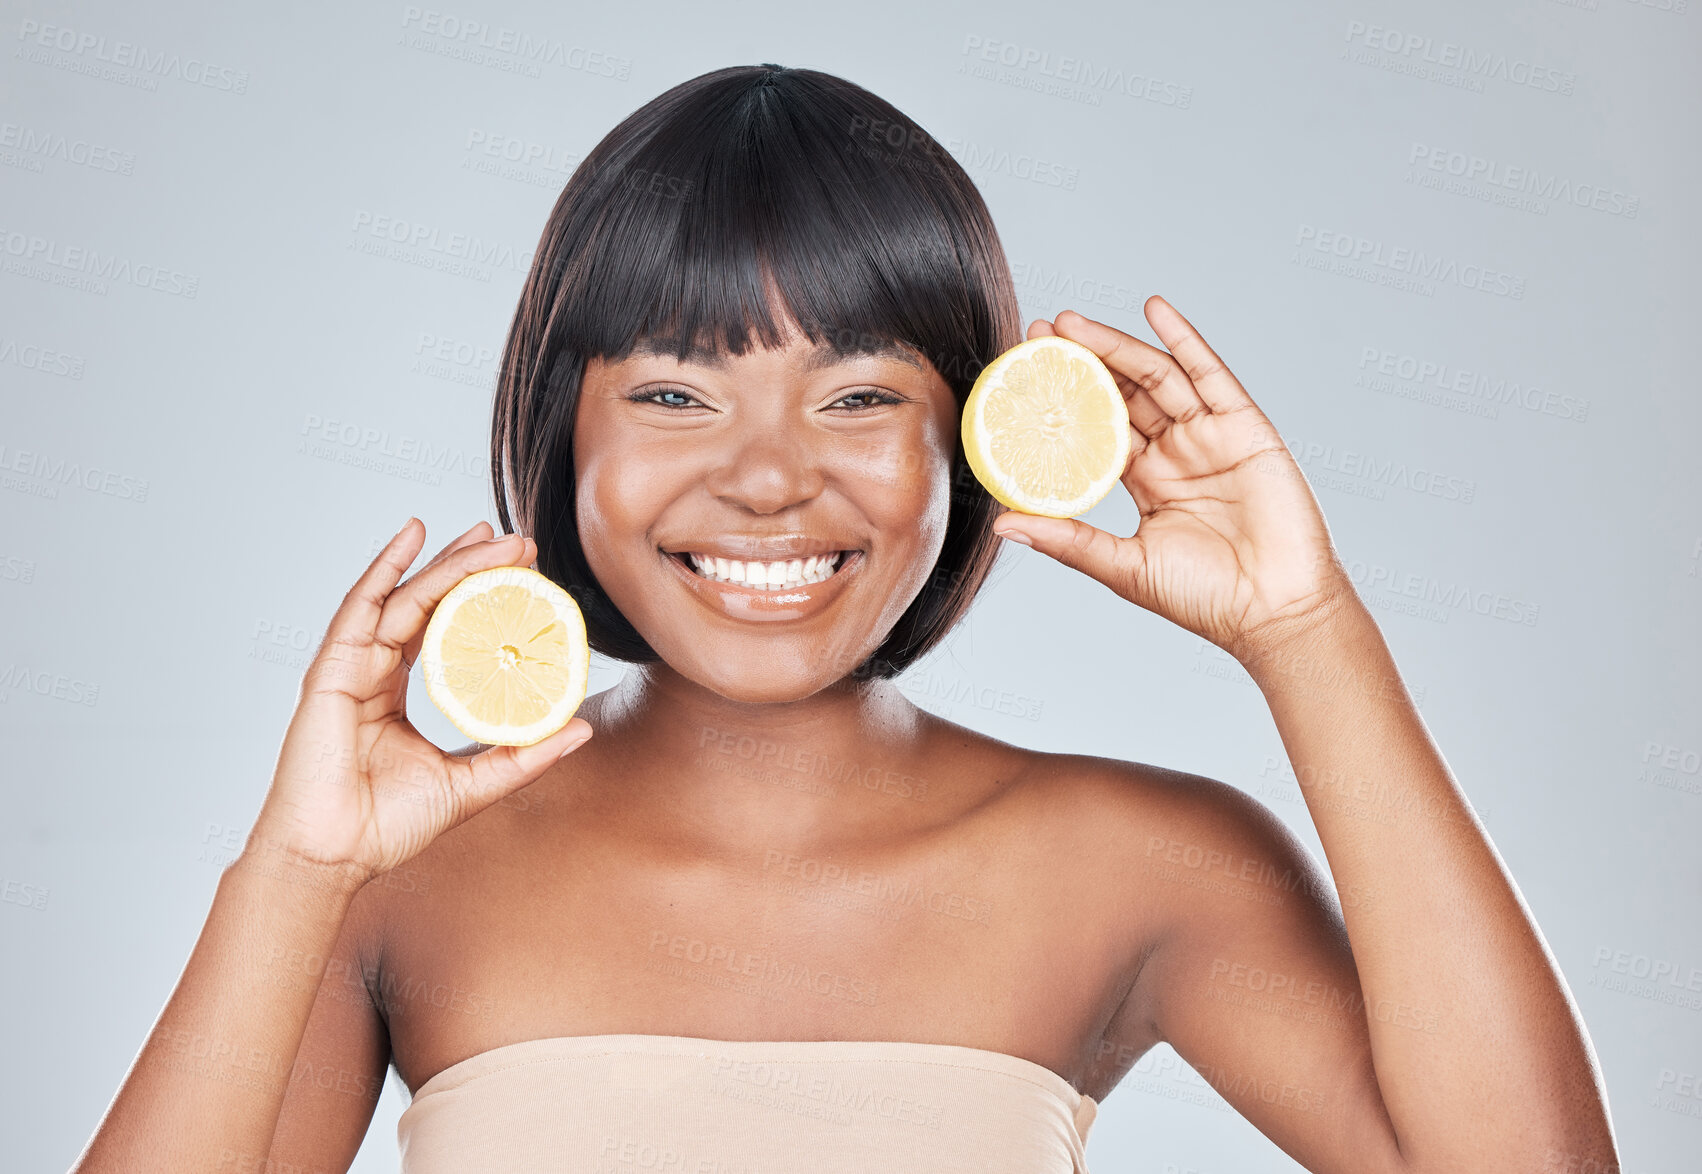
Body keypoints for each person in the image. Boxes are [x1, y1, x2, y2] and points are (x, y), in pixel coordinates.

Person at [70, 64, 1619, 1174]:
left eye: (861, 394)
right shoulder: (394, 883)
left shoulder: (1145, 864)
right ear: (564, 439)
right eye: (676, 391)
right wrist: (292, 869)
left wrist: (1307, 631)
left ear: (972, 438)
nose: (764, 478)